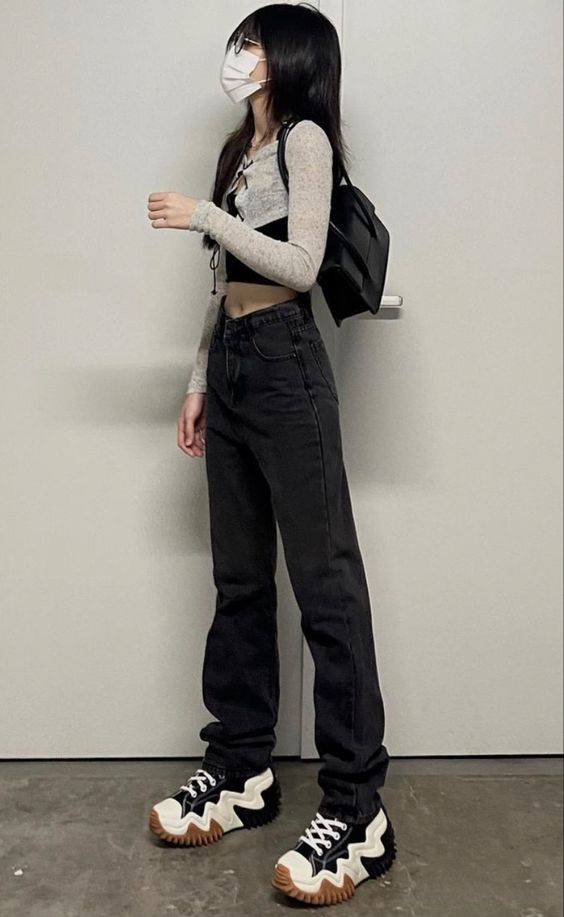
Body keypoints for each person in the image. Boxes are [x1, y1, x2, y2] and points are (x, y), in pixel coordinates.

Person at [146, 3, 396, 905]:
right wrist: (198, 380)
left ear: (289, 56)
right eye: (240, 41)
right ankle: (243, 767)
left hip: (289, 362)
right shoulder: (236, 152)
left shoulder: (304, 142)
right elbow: (223, 287)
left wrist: (204, 217)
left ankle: (358, 810)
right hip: (235, 366)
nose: (240, 54)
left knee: (327, 587)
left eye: (252, 43)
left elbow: (300, 265)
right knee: (241, 579)